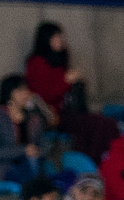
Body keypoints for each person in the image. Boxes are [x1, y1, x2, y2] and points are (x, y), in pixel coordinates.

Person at [24, 22, 118, 161]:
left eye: (60, 36)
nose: (60, 40)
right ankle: (93, 162)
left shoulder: (60, 61)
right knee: (100, 124)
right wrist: (66, 81)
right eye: (55, 37)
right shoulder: (36, 63)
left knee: (104, 125)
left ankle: (105, 160)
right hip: (51, 115)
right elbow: (45, 94)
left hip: (71, 112)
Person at [0, 73, 48, 184]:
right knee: (28, 174)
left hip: (31, 163)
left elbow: (43, 145)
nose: (25, 94)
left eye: (26, 90)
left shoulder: (34, 118)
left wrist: (37, 151)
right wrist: (23, 150)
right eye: (20, 91)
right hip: (4, 167)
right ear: (9, 93)